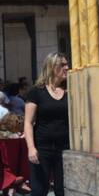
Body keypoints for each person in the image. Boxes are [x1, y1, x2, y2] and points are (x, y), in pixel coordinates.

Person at [24, 53, 69, 196]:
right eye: (62, 65)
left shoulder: (69, 90)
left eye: (67, 64)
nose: (67, 68)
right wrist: (31, 148)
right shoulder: (36, 92)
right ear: (52, 67)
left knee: (62, 190)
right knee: (39, 190)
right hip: (42, 148)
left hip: (65, 149)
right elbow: (28, 122)